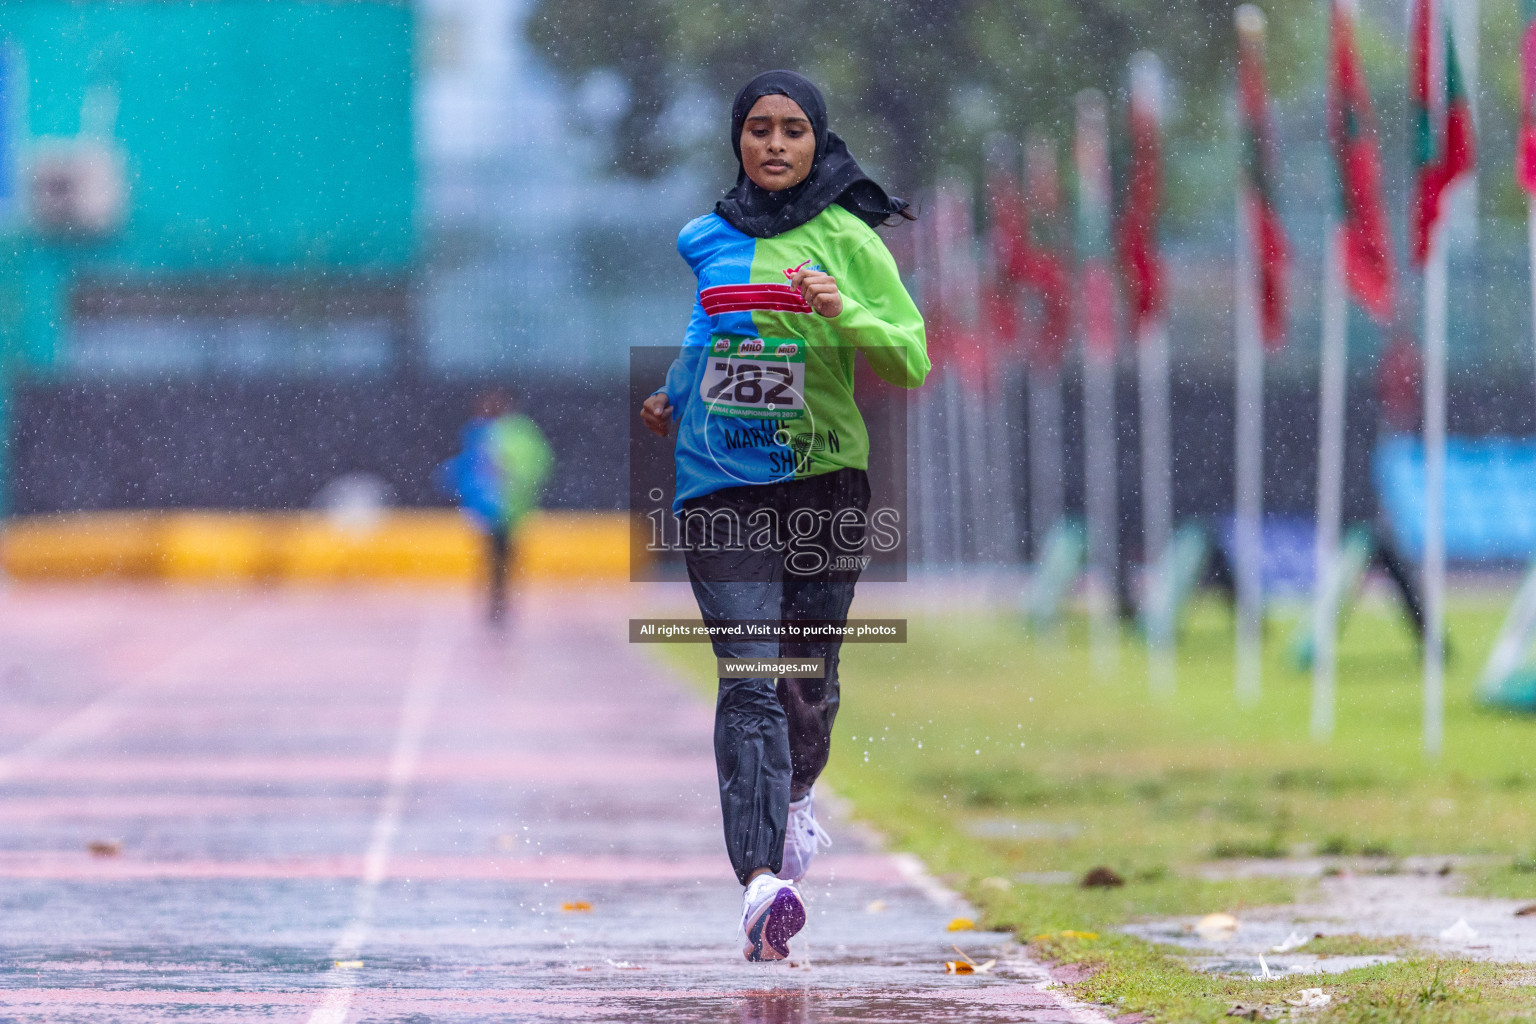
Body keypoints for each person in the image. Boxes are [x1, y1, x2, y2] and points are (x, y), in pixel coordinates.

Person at [640, 70, 928, 962]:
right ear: (738, 139)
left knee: (806, 681)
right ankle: (761, 881)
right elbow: (704, 327)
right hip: (720, 485)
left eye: (792, 130)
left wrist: (847, 315)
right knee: (751, 673)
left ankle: (795, 798)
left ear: (817, 141)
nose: (773, 144)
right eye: (758, 128)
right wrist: (673, 392)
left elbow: (912, 355)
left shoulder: (849, 240)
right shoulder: (705, 237)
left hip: (823, 486)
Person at [439, 391, 552, 625]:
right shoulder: (517, 433)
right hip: (505, 508)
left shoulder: (491, 434)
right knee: (502, 559)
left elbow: (478, 469)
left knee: (497, 559)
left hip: (497, 508)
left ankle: (497, 605)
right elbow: (538, 464)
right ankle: (499, 604)